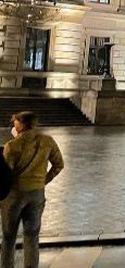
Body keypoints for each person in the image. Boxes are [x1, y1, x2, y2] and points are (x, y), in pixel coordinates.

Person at [2, 112, 64, 268]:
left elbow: (5, 175)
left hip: (14, 195)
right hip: (37, 194)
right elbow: (59, 164)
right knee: (32, 237)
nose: (13, 125)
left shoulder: (12, 146)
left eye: (15, 122)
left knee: (9, 238)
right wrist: (44, 180)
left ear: (22, 124)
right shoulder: (47, 141)